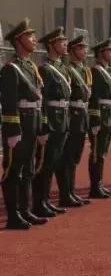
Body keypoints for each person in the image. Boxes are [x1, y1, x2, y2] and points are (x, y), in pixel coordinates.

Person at [2, 19, 46, 229]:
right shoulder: (11, 68)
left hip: (33, 123)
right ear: (19, 40)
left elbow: (38, 98)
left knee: (28, 169)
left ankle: (25, 210)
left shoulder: (30, 66)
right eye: (30, 36)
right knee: (14, 171)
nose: (34, 39)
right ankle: (13, 216)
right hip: (20, 126)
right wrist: (12, 130)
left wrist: (42, 126)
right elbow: (9, 103)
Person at [33, 27, 72, 218]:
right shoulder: (45, 70)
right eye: (61, 41)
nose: (65, 44)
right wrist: (44, 125)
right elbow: (43, 101)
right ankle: (39, 203)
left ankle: (46, 201)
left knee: (55, 161)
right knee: (46, 164)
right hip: (52, 121)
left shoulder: (62, 68)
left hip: (63, 119)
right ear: (51, 45)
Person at [61, 33, 92, 207]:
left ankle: (71, 192)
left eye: (85, 47)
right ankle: (66, 194)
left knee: (75, 157)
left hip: (82, 117)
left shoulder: (83, 70)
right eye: (81, 47)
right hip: (73, 117)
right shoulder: (68, 70)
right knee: (68, 157)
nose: (85, 50)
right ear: (72, 51)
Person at [87, 39, 111, 199]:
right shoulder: (96, 71)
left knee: (103, 153)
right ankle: (95, 186)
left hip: (109, 115)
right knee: (97, 153)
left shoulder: (107, 71)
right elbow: (94, 98)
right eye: (109, 50)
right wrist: (95, 120)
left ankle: (99, 184)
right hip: (101, 116)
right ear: (101, 53)